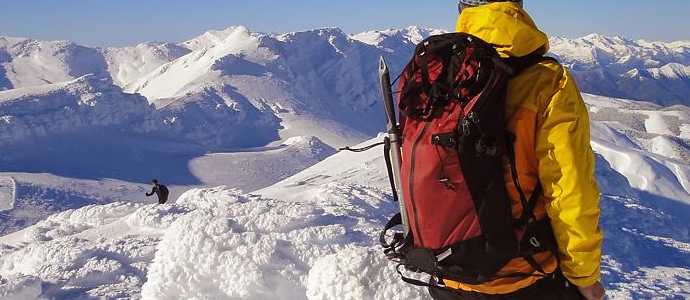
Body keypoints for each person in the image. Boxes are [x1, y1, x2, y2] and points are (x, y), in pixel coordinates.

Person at [428, 1, 605, 300]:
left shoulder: (439, 71)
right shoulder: (548, 82)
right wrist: (583, 275)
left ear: (462, 8)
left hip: (448, 271)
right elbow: (570, 189)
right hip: (524, 273)